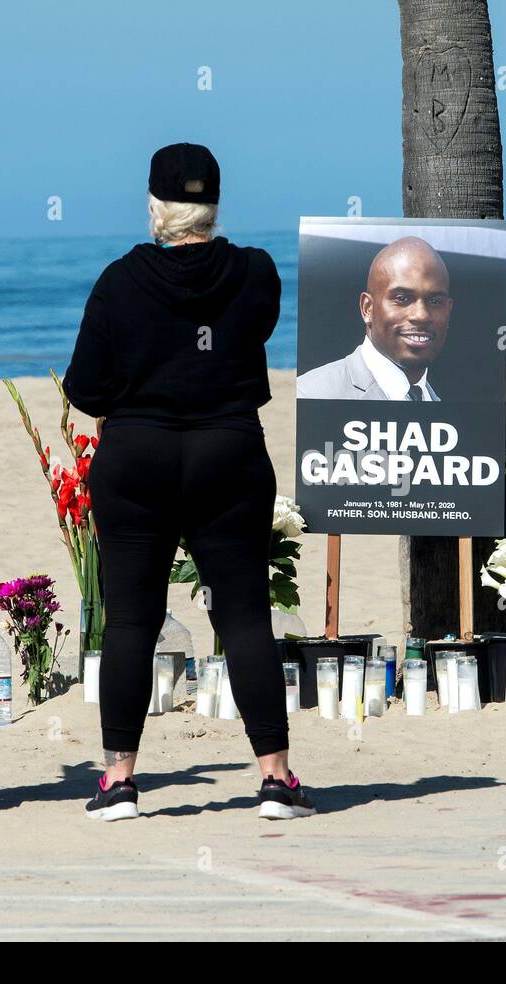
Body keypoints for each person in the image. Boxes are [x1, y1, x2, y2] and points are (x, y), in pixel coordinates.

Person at [63, 142, 316, 822]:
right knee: (242, 615)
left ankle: (118, 781)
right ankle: (276, 777)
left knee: (131, 621)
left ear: (155, 208)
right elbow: (252, 326)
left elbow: (85, 387)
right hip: (227, 452)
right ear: (214, 206)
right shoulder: (255, 272)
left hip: (137, 457)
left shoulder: (118, 282)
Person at [295, 235, 452, 401]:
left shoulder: (449, 413)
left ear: (449, 311)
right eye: (402, 298)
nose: (421, 315)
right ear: (367, 308)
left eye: (435, 301)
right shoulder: (312, 395)